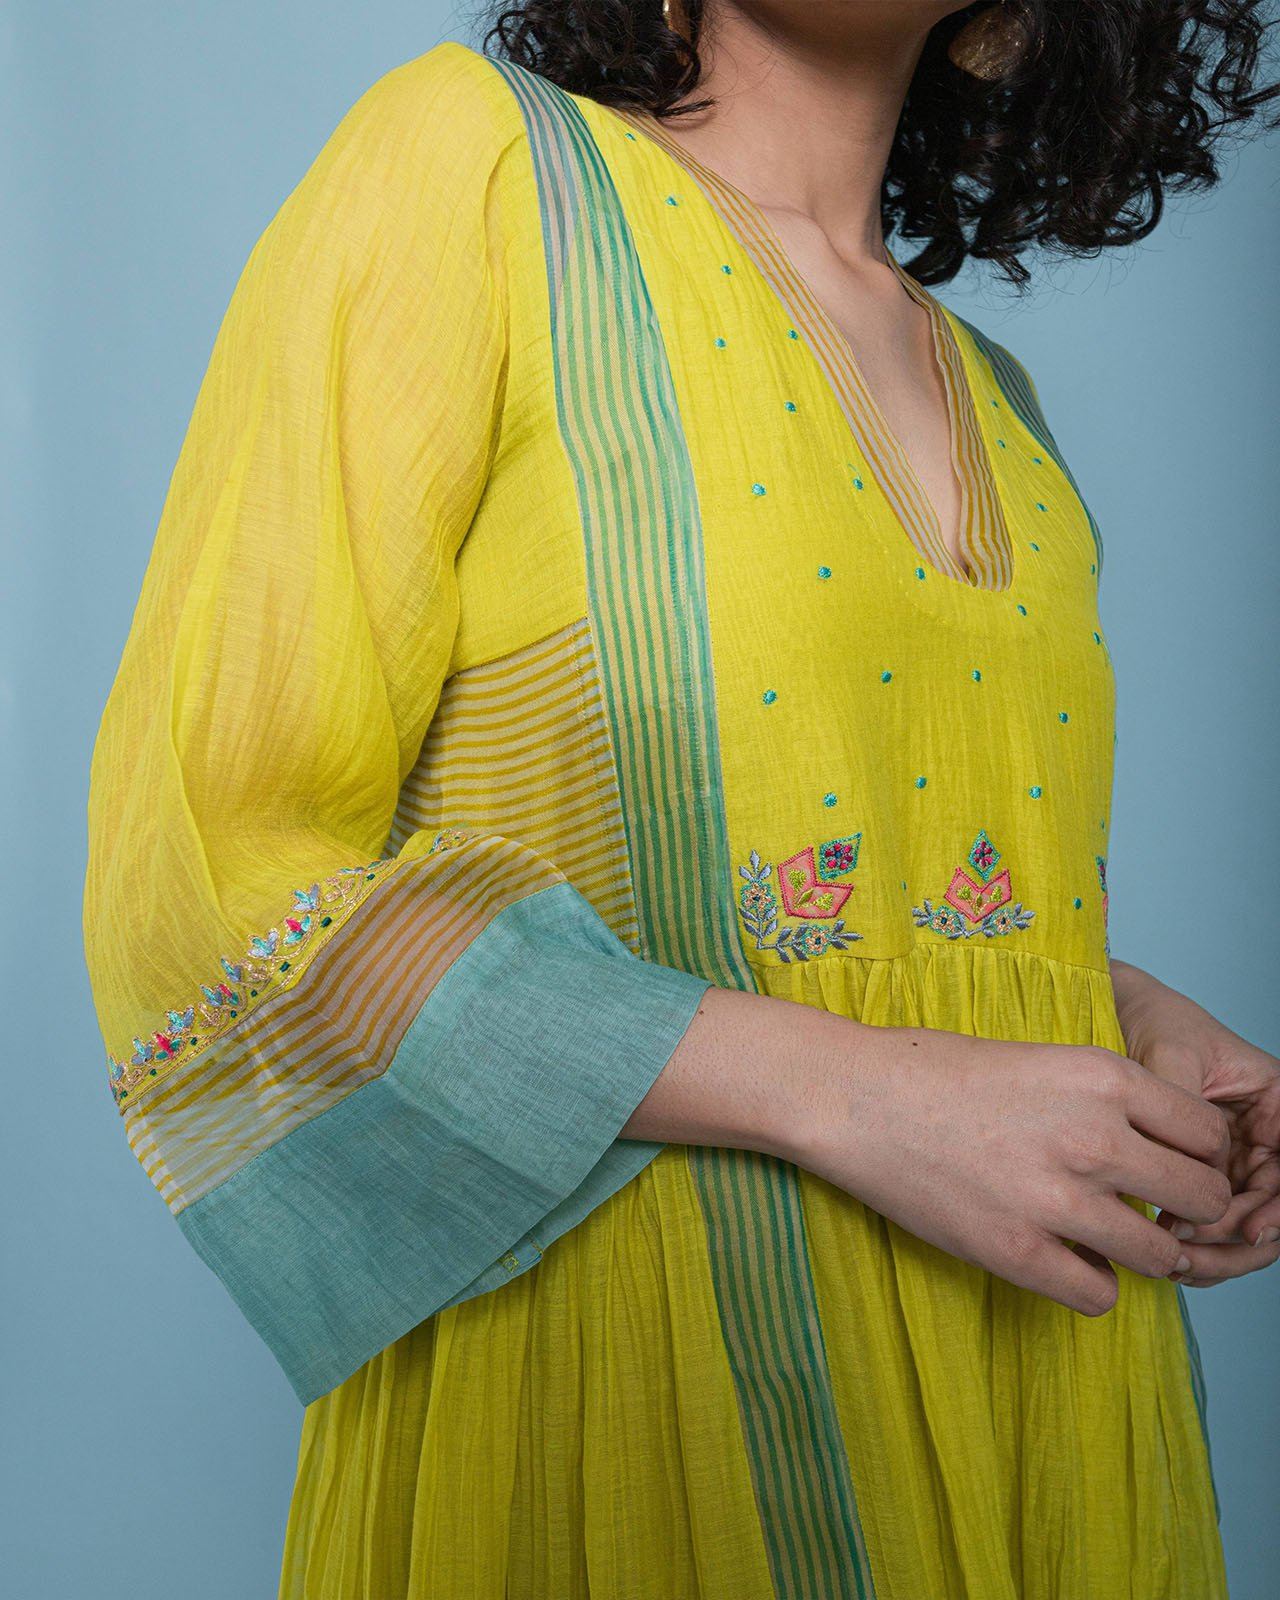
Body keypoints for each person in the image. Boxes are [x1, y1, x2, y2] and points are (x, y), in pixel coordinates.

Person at [83, 3, 1280, 1595]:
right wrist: (858, 1093)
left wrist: (1109, 1017)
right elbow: (221, 877)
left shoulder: (1001, 402)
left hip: (1048, 1393)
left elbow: (814, 876)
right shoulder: (484, 175)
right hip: (638, 1389)